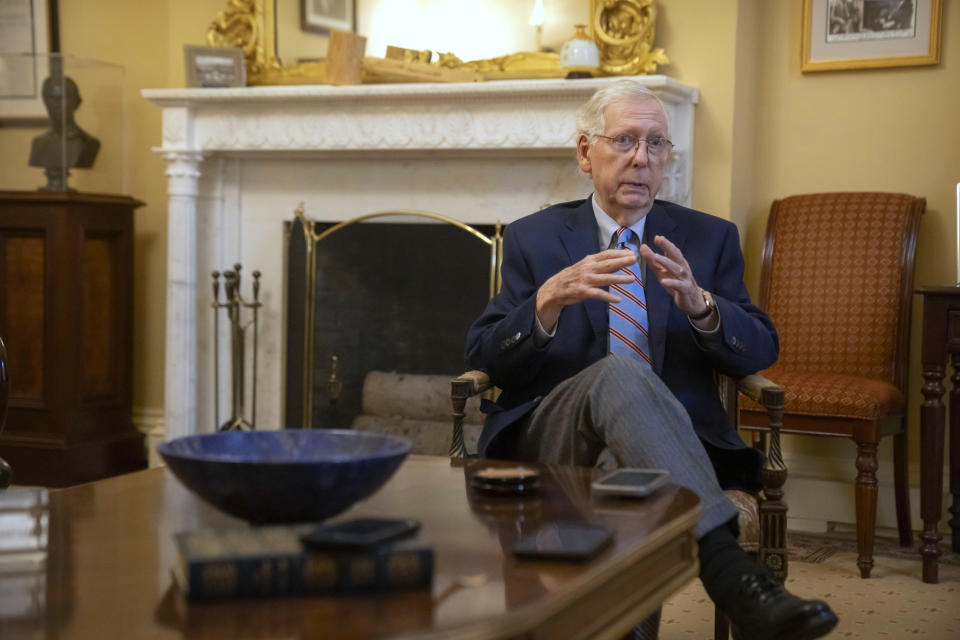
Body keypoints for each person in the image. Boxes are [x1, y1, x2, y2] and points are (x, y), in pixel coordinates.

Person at [465, 80, 838, 640]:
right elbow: (483, 355)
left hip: (669, 447)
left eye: (657, 144)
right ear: (586, 152)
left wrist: (702, 305)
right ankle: (730, 570)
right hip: (555, 434)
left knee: (627, 477)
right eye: (625, 140)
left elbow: (761, 348)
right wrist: (544, 303)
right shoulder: (533, 240)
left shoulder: (708, 240)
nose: (643, 158)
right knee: (620, 372)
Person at [29, 75, 100, 191]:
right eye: (51, 98)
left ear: (76, 102)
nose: (56, 104)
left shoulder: (88, 143)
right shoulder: (39, 142)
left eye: (63, 98)